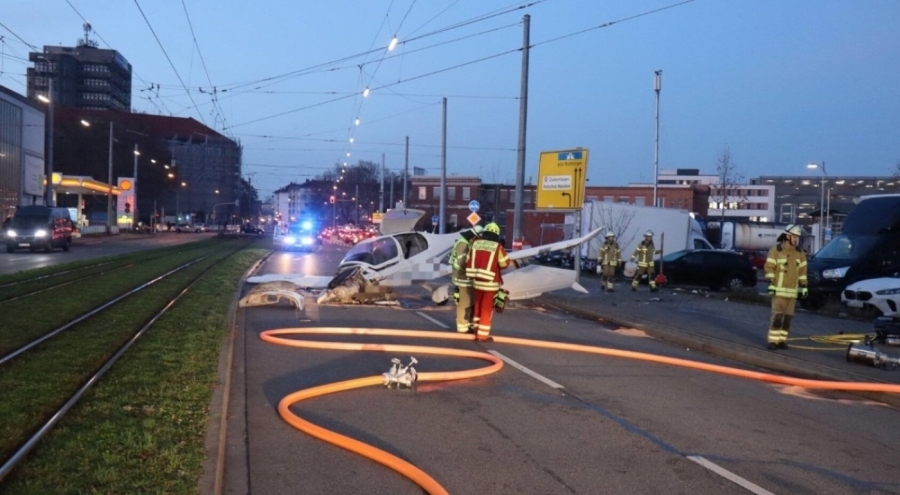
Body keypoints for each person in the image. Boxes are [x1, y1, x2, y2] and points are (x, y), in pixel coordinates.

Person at [763, 224, 808, 350]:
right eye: (794, 236)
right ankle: (773, 341)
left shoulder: (799, 253)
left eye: (797, 237)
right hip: (779, 292)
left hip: (792, 294)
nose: (796, 239)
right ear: (787, 236)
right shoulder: (775, 251)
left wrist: (804, 287)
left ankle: (781, 341)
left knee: (787, 320)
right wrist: (771, 283)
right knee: (777, 318)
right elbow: (769, 268)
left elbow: (803, 272)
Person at [465, 222, 509, 342]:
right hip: (490, 283)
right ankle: (482, 335)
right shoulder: (497, 247)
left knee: (477, 305)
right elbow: (504, 264)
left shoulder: (475, 243)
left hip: (476, 282)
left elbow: (468, 260)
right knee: (486, 309)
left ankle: (475, 329)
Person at [449, 225, 483, 333]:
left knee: (470, 302)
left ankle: (469, 323)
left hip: (466, 278)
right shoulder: (463, 243)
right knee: (464, 303)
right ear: (474, 236)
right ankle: (462, 326)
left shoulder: (466, 242)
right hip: (462, 277)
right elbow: (462, 263)